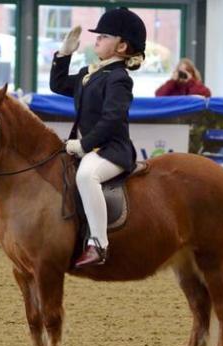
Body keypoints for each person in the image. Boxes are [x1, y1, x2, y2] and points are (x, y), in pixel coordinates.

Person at [50, 7, 146, 268]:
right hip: (89, 148)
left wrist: (83, 144)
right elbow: (57, 85)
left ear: (122, 46)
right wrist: (64, 53)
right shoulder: (89, 74)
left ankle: (99, 244)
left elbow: (112, 119)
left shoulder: (119, 79)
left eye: (104, 36)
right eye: (98, 35)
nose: (97, 39)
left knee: (85, 175)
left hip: (111, 150)